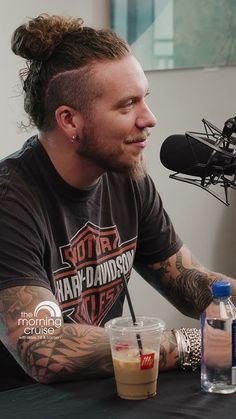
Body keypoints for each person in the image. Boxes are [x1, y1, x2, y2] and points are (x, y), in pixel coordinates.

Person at [0, 14, 235, 389]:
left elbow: (186, 282)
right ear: (69, 121)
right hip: (26, 401)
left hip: (108, 389)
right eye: (127, 105)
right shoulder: (10, 202)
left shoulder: (126, 175)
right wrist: (199, 343)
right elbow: (43, 347)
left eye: (145, 99)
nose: (150, 119)